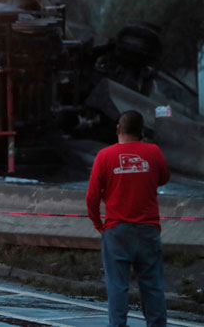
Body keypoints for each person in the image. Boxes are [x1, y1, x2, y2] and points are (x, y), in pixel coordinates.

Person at [86, 110, 170, 327]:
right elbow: (163, 179)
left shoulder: (104, 156)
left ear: (118, 129)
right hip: (148, 229)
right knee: (152, 285)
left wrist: (99, 225)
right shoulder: (153, 152)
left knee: (117, 286)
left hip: (116, 231)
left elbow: (92, 197)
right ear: (141, 131)